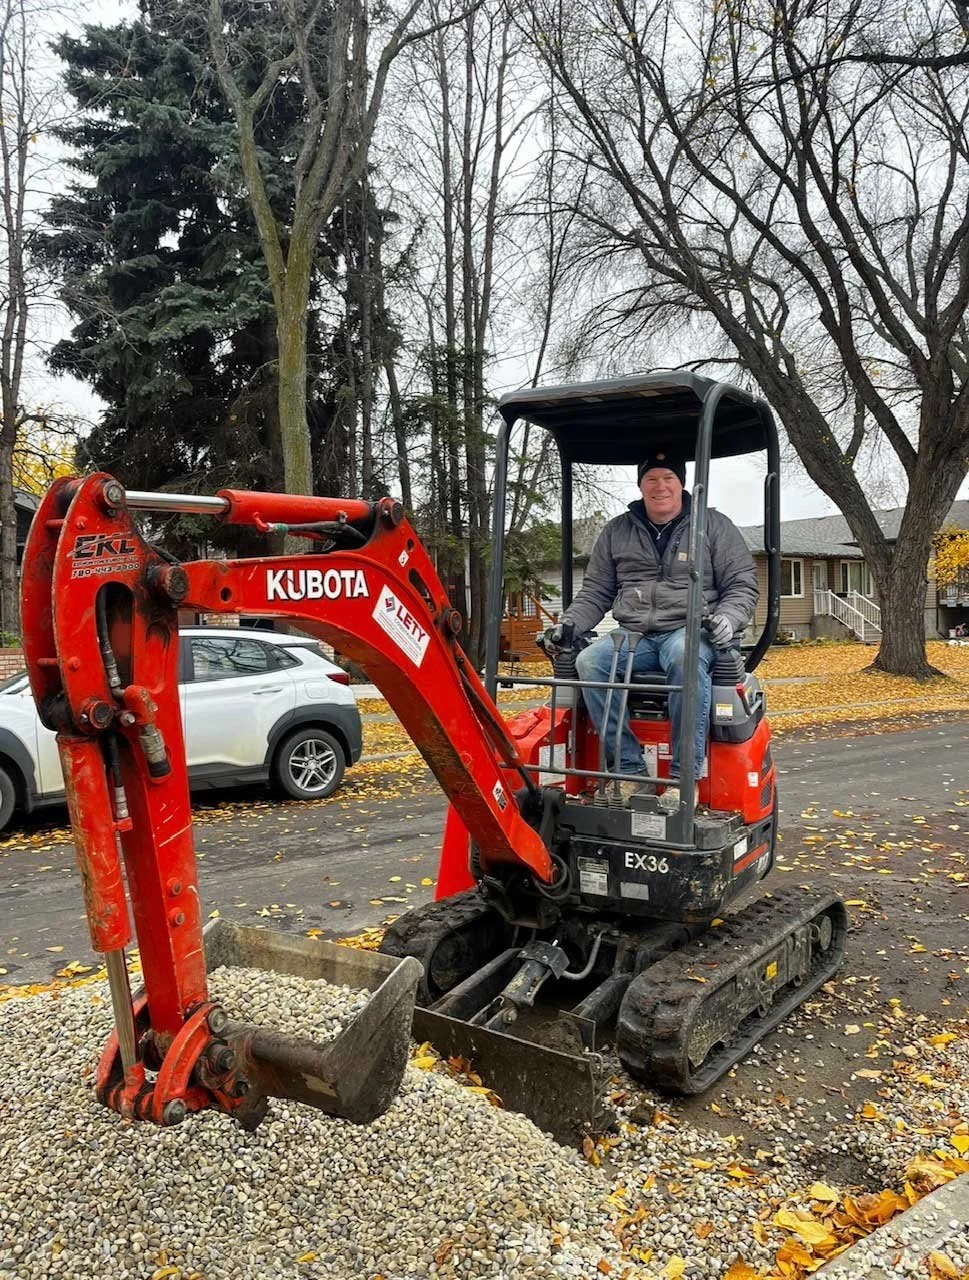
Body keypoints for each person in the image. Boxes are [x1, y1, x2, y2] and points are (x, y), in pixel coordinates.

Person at [545, 450, 758, 811]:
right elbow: (596, 592)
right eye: (651, 479)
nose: (660, 487)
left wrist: (729, 618)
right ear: (641, 485)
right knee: (590, 662)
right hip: (636, 633)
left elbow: (742, 585)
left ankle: (682, 778)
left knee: (683, 656)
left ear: (682, 483)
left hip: (691, 630)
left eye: (668, 478)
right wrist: (569, 624)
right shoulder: (618, 530)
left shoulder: (713, 526)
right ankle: (628, 772)